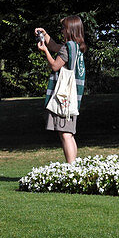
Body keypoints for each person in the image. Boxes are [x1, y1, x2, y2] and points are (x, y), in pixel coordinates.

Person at [36, 16, 87, 163]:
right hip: (72, 97)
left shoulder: (68, 47)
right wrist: (44, 35)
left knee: (65, 134)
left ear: (70, 30)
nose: (62, 30)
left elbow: (55, 65)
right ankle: (73, 167)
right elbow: (55, 46)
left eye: (64, 28)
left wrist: (44, 50)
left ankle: (70, 169)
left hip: (64, 96)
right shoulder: (75, 47)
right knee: (68, 133)